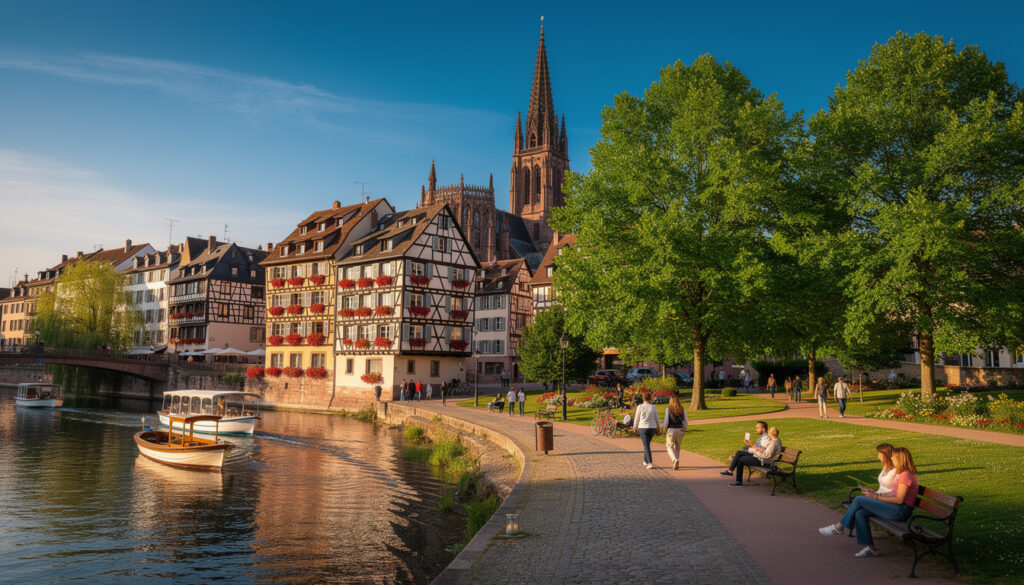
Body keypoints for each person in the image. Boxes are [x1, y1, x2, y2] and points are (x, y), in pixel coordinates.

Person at [819, 447, 919, 557]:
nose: (891, 458)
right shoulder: (902, 473)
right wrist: (875, 493)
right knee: (860, 513)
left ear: (900, 459)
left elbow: (899, 500)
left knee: (859, 499)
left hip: (900, 511)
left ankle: (839, 527)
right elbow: (893, 494)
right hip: (894, 507)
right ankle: (871, 549)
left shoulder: (906, 475)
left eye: (893, 456)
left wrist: (875, 497)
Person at [632, 392, 661, 469]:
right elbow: (657, 418)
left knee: (646, 445)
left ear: (643, 398)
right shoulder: (653, 407)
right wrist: (658, 428)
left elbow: (637, 418)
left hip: (643, 427)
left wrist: (634, 427)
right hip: (652, 428)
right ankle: (645, 460)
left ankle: (650, 462)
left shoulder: (640, 407)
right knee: (647, 444)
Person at [663, 395, 689, 470]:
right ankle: (676, 462)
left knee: (669, 446)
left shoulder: (668, 409)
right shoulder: (682, 409)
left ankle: (675, 459)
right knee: (677, 446)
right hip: (680, 429)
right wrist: (683, 429)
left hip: (671, 429)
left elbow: (666, 421)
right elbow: (686, 422)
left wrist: (664, 429)